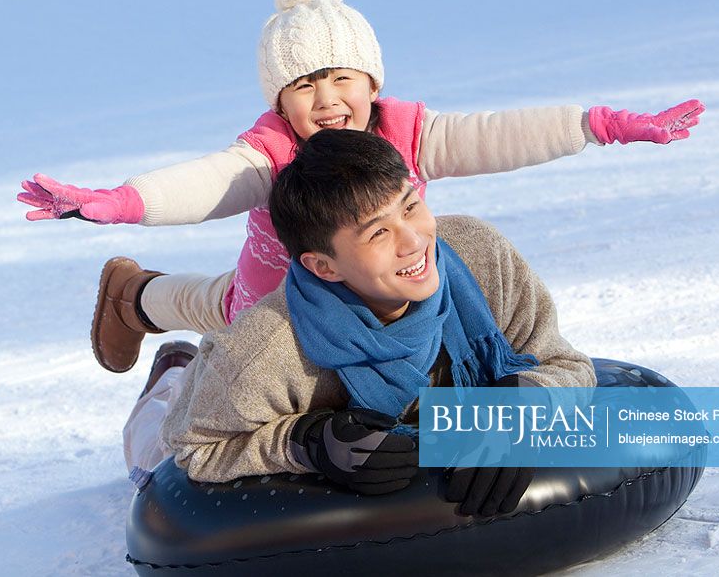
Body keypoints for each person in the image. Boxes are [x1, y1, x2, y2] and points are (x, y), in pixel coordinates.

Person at [18, 0, 702, 373]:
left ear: (370, 82)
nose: (326, 99)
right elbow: (207, 182)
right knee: (230, 315)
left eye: (341, 77)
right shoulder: (273, 152)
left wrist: (602, 125)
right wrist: (121, 201)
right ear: (281, 100)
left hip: (376, 275)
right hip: (286, 283)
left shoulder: (409, 133)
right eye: (303, 86)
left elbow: (500, 134)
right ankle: (132, 296)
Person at [126, 129, 595, 518]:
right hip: (208, 407)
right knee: (155, 446)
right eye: (378, 233)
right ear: (324, 266)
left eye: (410, 207)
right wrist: (306, 441)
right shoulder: (264, 352)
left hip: (241, 391)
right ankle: (169, 376)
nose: (413, 242)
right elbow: (193, 447)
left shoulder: (479, 254)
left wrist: (519, 410)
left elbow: (564, 363)